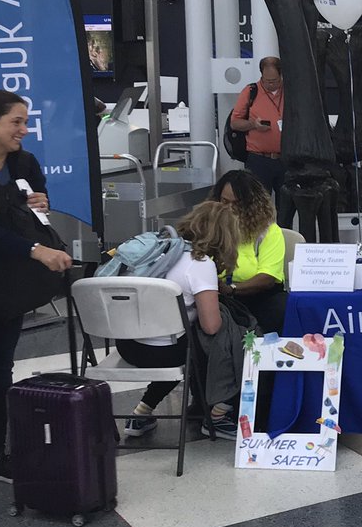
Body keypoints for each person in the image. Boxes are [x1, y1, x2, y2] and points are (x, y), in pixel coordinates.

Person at [0, 90, 73, 482]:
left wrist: (40, 204)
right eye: (16, 122)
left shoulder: (24, 163)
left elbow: (34, 212)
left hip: (7, 282)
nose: (24, 129)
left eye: (25, 121)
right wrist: (34, 250)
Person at [117, 201, 242, 440]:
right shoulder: (200, 264)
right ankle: (217, 415)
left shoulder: (160, 251)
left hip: (127, 345)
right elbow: (211, 326)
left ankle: (142, 412)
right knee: (227, 338)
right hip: (165, 354)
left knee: (179, 336)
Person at [211, 169, 287, 333]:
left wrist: (231, 289)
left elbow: (267, 278)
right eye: (224, 202)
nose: (229, 209)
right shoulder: (210, 228)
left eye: (237, 204)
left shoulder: (269, 231)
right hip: (219, 297)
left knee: (280, 308)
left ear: (252, 205)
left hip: (261, 298)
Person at [229, 56, 285, 205]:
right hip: (259, 159)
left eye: (274, 81)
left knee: (286, 204)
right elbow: (234, 123)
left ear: (281, 75)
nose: (270, 84)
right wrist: (253, 125)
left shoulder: (290, 91)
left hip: (285, 158)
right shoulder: (250, 92)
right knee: (258, 204)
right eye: (266, 81)